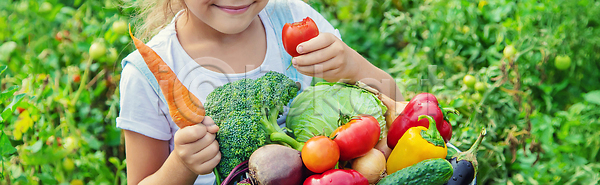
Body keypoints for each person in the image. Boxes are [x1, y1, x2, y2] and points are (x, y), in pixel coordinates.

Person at [116, 0, 403, 184]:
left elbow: (398, 107)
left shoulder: (294, 18)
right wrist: (182, 165)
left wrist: (355, 66)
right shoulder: (146, 73)